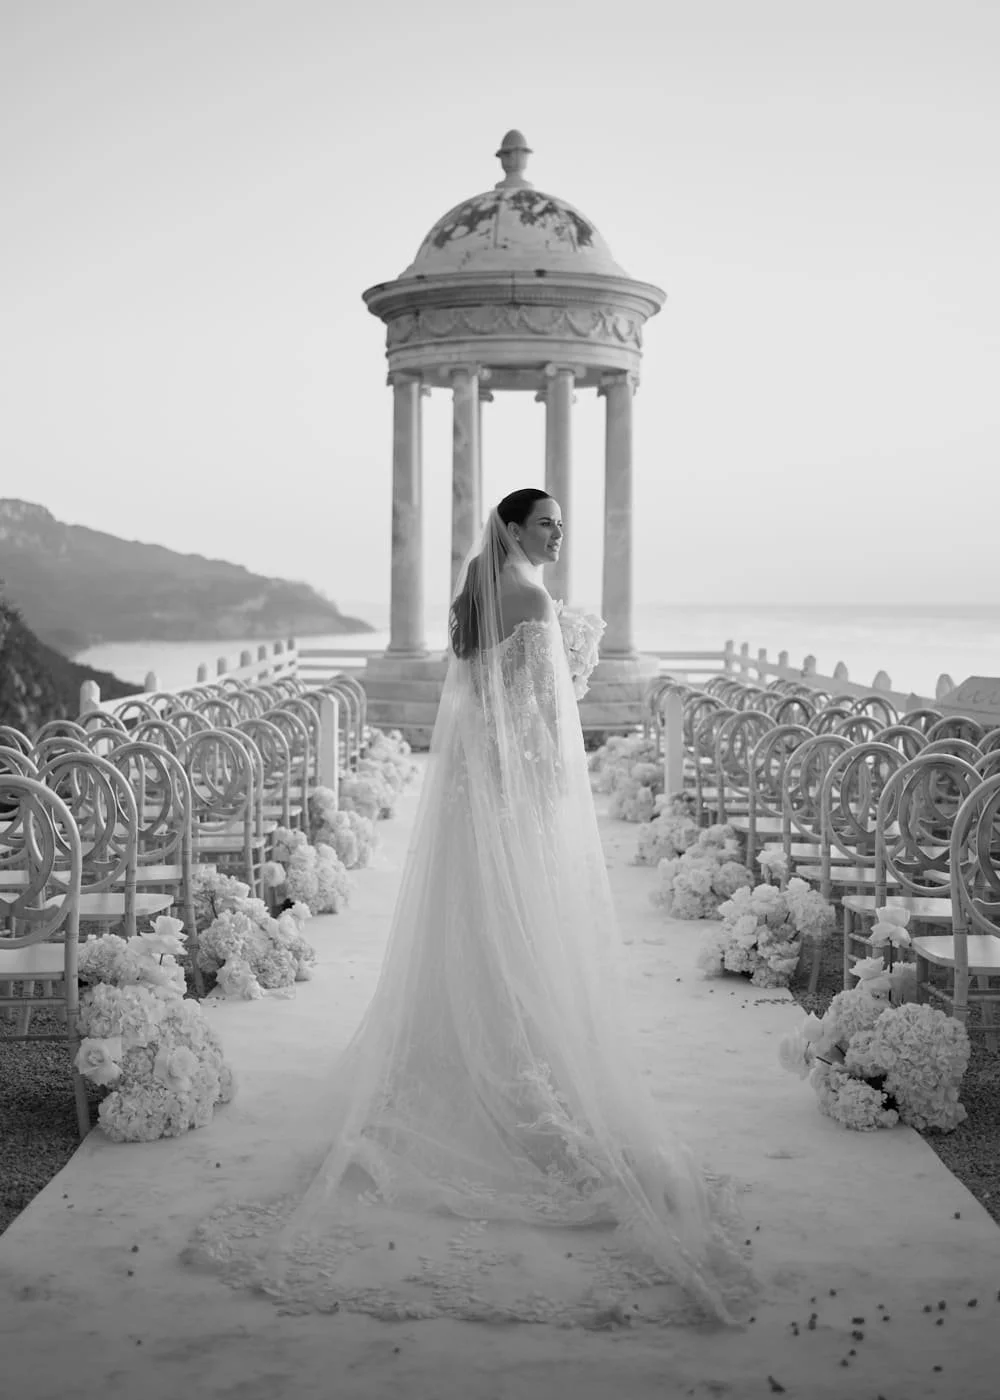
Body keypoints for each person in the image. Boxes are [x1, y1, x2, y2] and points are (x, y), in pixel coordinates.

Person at [193, 488, 754, 1327]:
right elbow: (532, 709)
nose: (558, 536)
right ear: (513, 529)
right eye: (546, 525)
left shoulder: (476, 594)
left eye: (562, 526)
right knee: (517, 920)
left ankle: (459, 1050)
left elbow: (482, 697)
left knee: (471, 921)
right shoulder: (526, 595)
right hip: (510, 781)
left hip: (468, 786)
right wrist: (546, 779)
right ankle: (512, 1061)